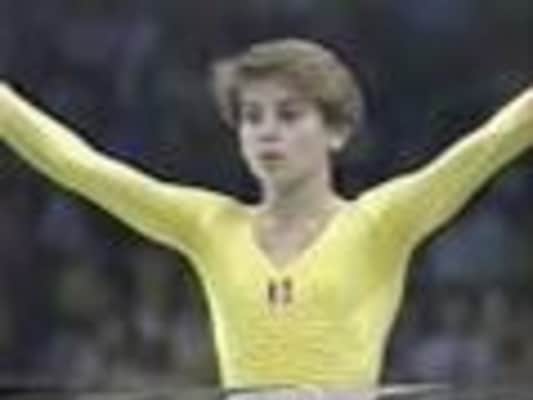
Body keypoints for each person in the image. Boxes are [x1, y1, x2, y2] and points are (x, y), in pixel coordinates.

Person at [0, 38, 531, 394]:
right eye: (252, 118)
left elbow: (494, 141)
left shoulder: (380, 224)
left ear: (336, 131)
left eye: (289, 115)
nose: (267, 132)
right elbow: (80, 167)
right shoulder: (209, 226)